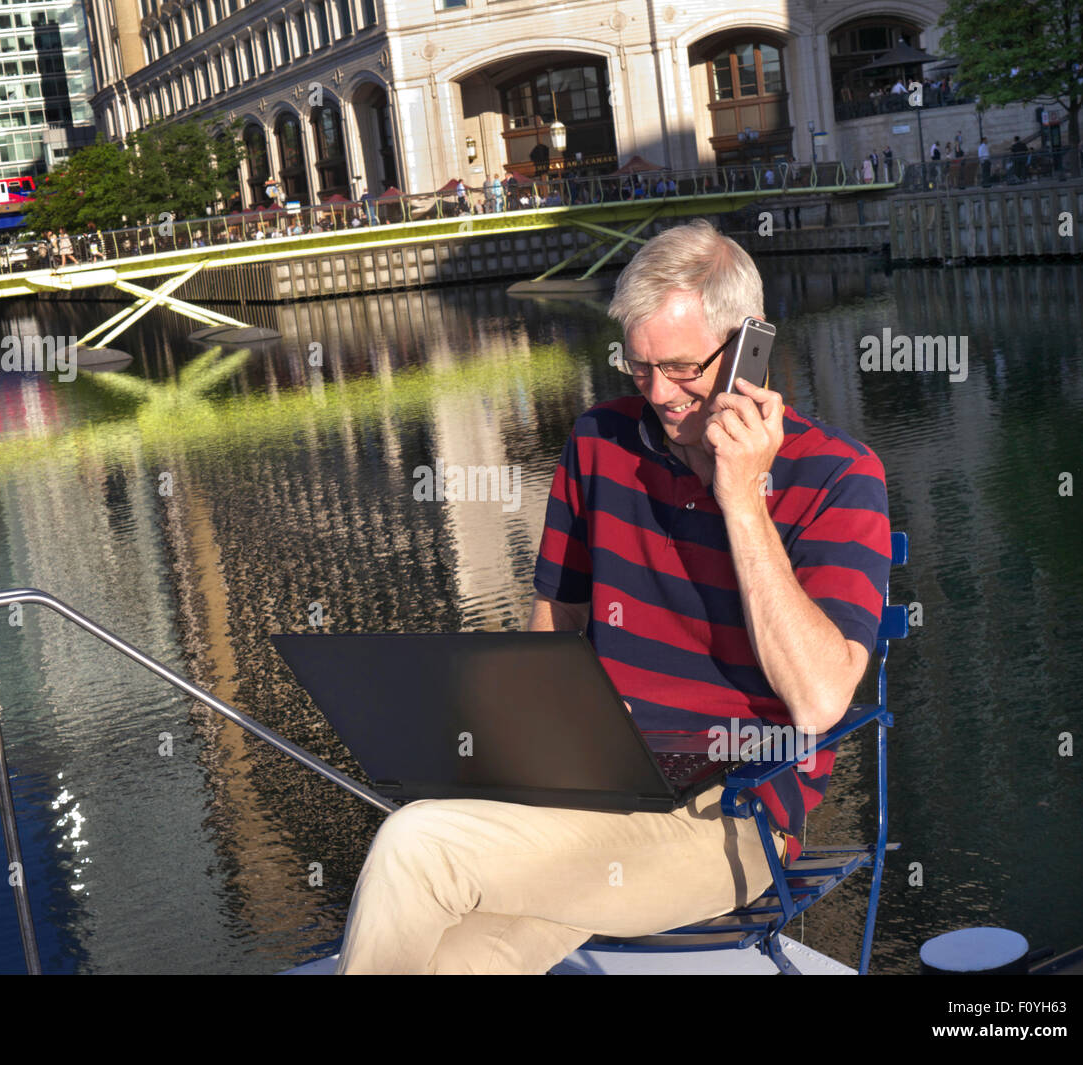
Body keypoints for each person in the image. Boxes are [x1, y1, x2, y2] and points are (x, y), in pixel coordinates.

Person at [334, 220, 891, 974]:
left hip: (730, 821)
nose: (660, 394)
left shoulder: (840, 476)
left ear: (749, 349)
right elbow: (553, 622)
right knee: (456, 959)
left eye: (685, 369)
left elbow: (821, 699)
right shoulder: (601, 441)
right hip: (590, 793)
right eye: (641, 368)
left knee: (417, 842)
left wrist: (742, 502)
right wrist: (557, 719)